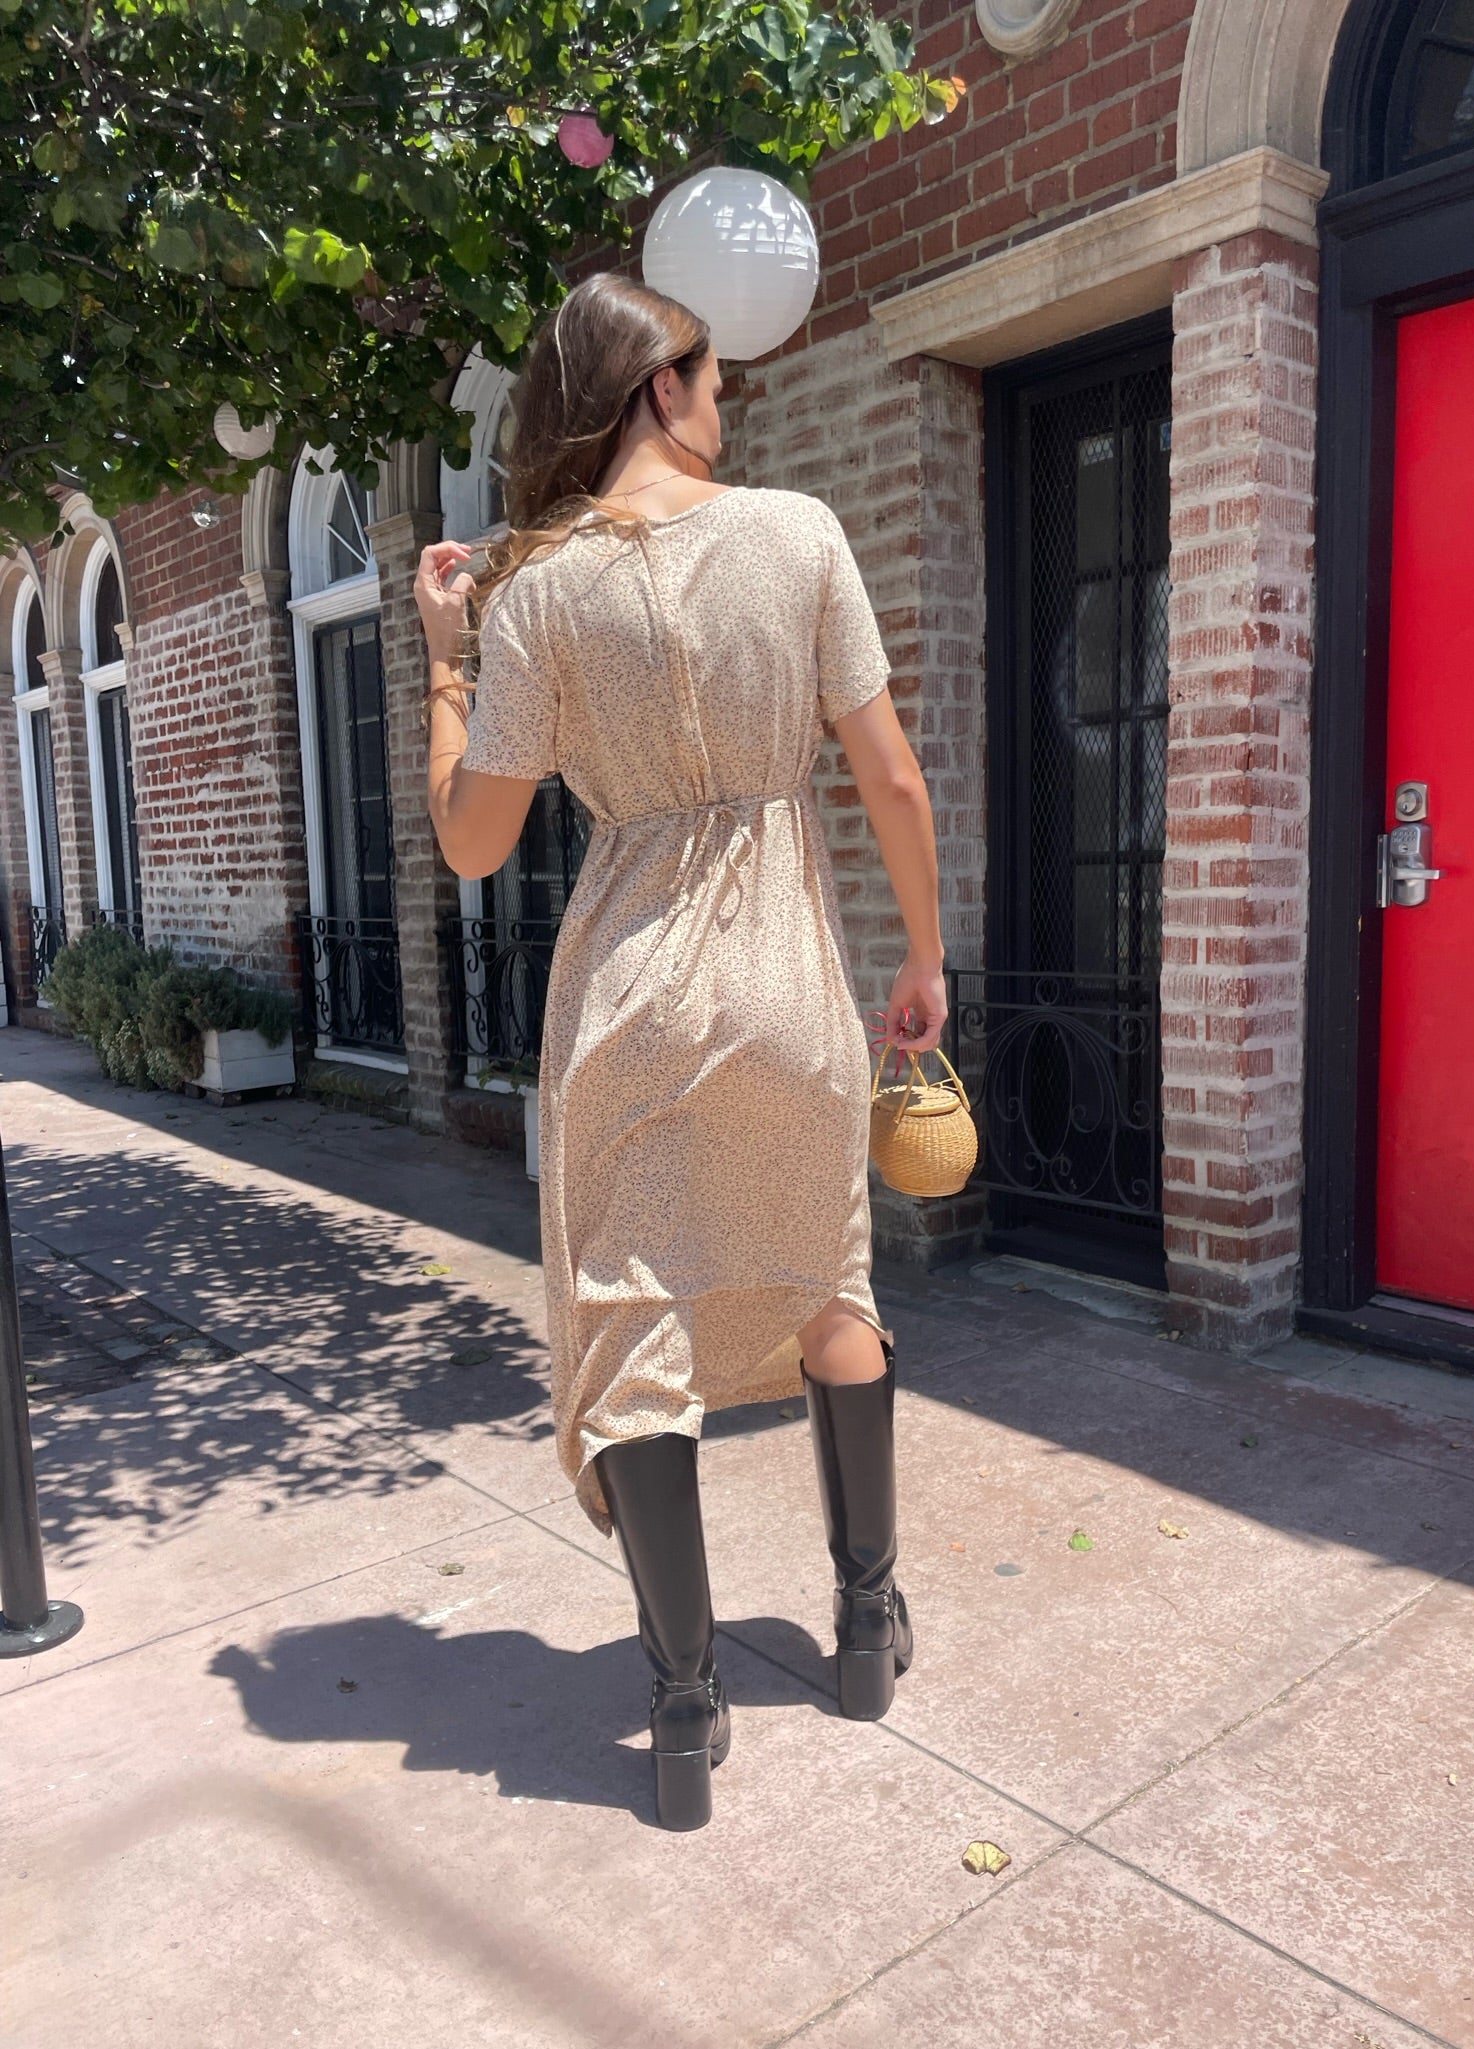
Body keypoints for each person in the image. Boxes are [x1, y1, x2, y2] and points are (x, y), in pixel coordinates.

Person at [413, 271, 946, 1831]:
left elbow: (472, 842)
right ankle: (862, 1632)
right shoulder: (799, 538)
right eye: (715, 379)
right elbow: (893, 775)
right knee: (830, 1286)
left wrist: (447, 655)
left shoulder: (539, 592)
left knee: (634, 1323)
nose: (731, 407)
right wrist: (921, 955)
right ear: (661, 385)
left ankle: (683, 1705)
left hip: (630, 995)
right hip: (789, 982)